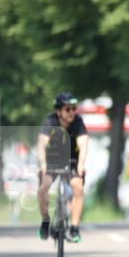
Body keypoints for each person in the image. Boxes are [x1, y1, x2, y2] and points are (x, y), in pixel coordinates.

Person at [37, 92, 89, 242]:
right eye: (68, 109)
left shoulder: (78, 122)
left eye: (74, 108)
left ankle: (74, 227)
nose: (72, 112)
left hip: (72, 160)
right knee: (44, 187)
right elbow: (41, 144)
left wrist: (81, 164)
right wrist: (43, 163)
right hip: (51, 159)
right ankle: (45, 220)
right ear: (59, 111)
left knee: (78, 187)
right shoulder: (51, 121)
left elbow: (83, 144)